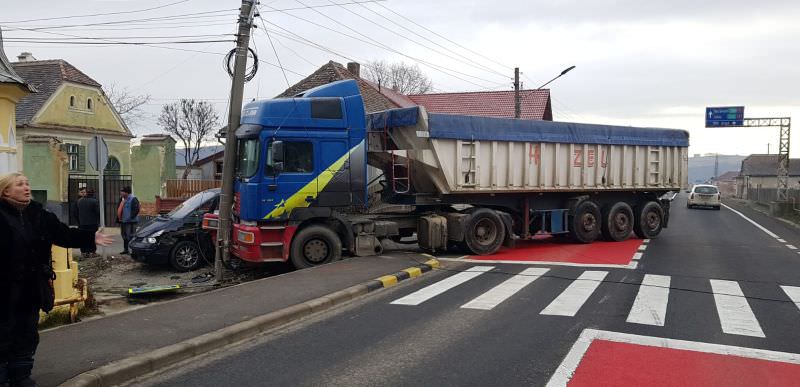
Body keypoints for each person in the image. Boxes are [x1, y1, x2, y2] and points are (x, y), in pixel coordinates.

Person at [0, 173, 112, 387]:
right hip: (4, 290)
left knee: (27, 334)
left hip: (31, 289)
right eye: (20, 184)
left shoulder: (38, 213)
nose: (26, 187)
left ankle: (21, 376)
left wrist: (90, 237)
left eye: (27, 183)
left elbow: (62, 234)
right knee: (3, 335)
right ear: (6, 190)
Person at [77, 188, 100, 258]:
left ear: (86, 193)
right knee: (92, 237)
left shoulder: (79, 201)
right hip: (92, 223)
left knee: (83, 237)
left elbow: (77, 212)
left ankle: (84, 252)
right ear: (93, 194)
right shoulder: (94, 201)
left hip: (82, 223)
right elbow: (97, 212)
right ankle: (92, 252)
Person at [117, 186, 139, 255]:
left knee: (131, 236)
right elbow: (119, 209)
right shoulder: (122, 199)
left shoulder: (133, 199)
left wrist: (130, 218)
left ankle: (132, 250)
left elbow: (136, 209)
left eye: (122, 191)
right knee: (124, 236)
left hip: (130, 222)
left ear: (126, 192)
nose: (121, 192)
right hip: (123, 221)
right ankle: (125, 249)